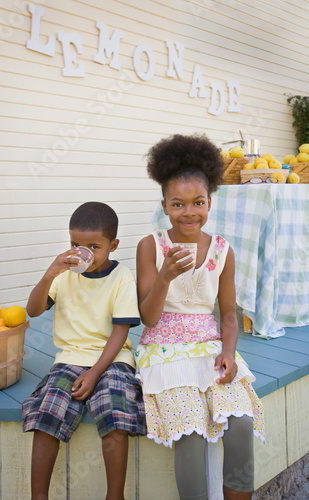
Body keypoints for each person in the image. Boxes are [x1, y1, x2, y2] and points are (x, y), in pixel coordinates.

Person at [135, 134, 265, 500]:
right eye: (177, 204)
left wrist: (228, 351)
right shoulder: (150, 245)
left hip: (209, 345)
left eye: (198, 202)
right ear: (164, 205)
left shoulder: (223, 250)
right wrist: (165, 276)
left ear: (210, 202)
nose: (188, 212)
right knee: (190, 433)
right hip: (163, 348)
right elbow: (148, 316)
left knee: (240, 425)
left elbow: (227, 314)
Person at [22, 201, 146, 500]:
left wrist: (93, 374)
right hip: (70, 359)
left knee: (115, 412)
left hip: (113, 359)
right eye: (75, 244)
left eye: (94, 246)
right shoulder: (65, 274)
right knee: (47, 413)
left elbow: (120, 332)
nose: (84, 253)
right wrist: (49, 274)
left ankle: (114, 495)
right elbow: (33, 310)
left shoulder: (122, 278)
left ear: (113, 245)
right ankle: (39, 496)